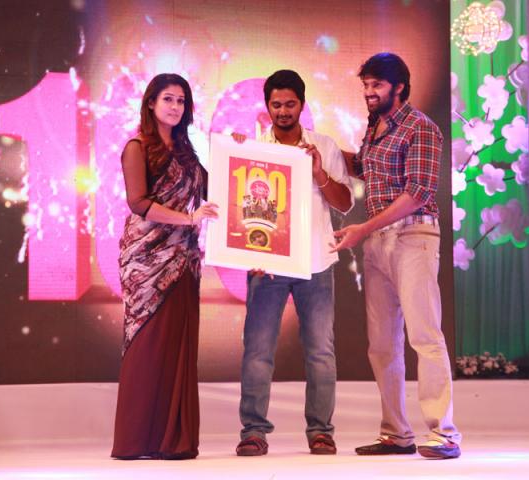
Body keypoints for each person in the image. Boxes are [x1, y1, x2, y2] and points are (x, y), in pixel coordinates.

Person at [332, 53, 462, 459]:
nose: (369, 92)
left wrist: (363, 228)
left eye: (377, 85)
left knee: (425, 335)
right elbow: (365, 168)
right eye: (366, 85)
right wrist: (320, 151)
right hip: (378, 242)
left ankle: (444, 433)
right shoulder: (375, 128)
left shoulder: (420, 127)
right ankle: (396, 433)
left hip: (413, 236)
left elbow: (418, 192)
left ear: (399, 87)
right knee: (382, 345)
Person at [233, 70, 353, 456]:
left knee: (320, 351)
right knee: (257, 351)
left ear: (302, 104)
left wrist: (319, 173)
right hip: (267, 266)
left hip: (316, 261)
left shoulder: (324, 145)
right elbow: (241, 209)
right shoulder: (255, 148)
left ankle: (321, 431)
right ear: (267, 106)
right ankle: (254, 431)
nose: (283, 111)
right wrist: (248, 254)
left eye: (290, 104)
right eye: (276, 105)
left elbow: (344, 203)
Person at [111, 73, 218, 460]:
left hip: (183, 257)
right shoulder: (137, 147)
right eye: (168, 99)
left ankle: (174, 441)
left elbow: (215, 189)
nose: (175, 106)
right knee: (148, 343)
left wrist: (237, 151)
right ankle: (136, 440)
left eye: (181, 101)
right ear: (151, 103)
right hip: (146, 259)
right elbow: (138, 203)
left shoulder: (187, 153)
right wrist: (188, 219)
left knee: (177, 344)